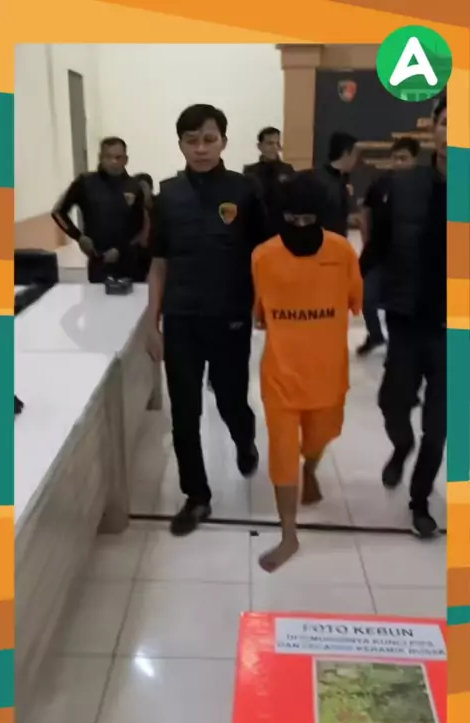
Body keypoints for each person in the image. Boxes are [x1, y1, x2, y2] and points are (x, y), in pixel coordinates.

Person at [147, 104, 269, 536]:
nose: (201, 148)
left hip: (230, 316)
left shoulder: (245, 191)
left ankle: (244, 440)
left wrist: (263, 308)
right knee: (184, 412)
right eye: (192, 140)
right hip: (181, 318)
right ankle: (196, 496)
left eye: (209, 139)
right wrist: (152, 323)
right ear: (180, 143)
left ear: (224, 142)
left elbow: (264, 256)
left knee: (231, 400)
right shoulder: (166, 196)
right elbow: (158, 263)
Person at [252, 171, 363, 572]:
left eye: (308, 219)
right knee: (283, 453)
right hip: (280, 375)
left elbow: (355, 300)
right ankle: (289, 534)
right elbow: (260, 314)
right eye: (292, 219)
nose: (300, 226)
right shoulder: (263, 256)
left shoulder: (341, 252)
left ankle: (311, 469)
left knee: (321, 436)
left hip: (328, 373)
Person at [376, 94, 447, 538]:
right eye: (448, 122)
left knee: (438, 427)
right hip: (406, 319)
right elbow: (378, 247)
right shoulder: (402, 185)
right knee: (392, 402)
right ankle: (401, 446)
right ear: (433, 127)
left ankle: (420, 501)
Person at [357, 136, 420, 355]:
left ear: (414, 159)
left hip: (408, 258)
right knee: (367, 298)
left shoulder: (422, 185)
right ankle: (375, 335)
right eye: (395, 158)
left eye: (404, 158)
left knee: (401, 306)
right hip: (377, 255)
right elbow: (366, 211)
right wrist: (366, 239)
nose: (398, 162)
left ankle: (400, 346)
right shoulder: (381, 182)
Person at [52, 137, 145, 283]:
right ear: (100, 158)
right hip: (98, 261)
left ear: (126, 159)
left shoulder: (134, 187)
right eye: (108, 157)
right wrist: (78, 237)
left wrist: (120, 249)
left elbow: (139, 225)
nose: (114, 162)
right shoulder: (85, 182)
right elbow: (58, 213)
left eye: (118, 157)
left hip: (129, 261)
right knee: (97, 297)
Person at [243, 127, 294, 235]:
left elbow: (293, 198)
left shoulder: (287, 169)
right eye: (270, 143)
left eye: (277, 143)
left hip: (282, 228)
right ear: (260, 146)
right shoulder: (250, 171)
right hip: (256, 228)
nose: (274, 147)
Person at [313, 131, 358, 237]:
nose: (356, 160)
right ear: (346, 153)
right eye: (355, 154)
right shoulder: (323, 182)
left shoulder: (342, 181)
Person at [133, 172, 155, 281]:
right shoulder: (132, 204)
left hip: (154, 250)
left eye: (144, 187)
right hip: (136, 252)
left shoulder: (159, 203)